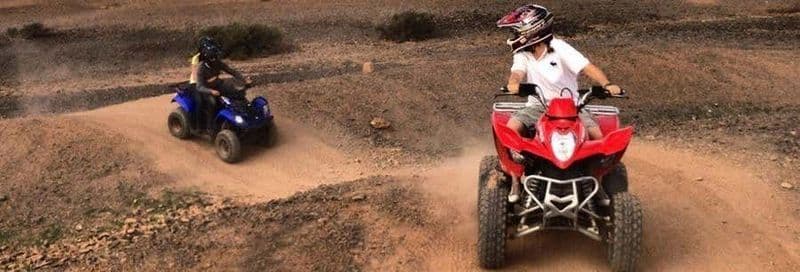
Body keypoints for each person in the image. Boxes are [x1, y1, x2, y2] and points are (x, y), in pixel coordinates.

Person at [497, 4, 625, 202]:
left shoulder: (559, 47)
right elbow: (517, 73)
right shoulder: (522, 54)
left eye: (517, 31)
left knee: (598, 139)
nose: (515, 35)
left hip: (572, 107)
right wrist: (513, 84)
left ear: (533, 29)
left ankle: (596, 182)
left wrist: (607, 84)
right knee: (510, 130)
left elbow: (587, 67)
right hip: (538, 106)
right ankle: (515, 180)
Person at [189, 37, 252, 133]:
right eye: (213, 58)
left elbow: (232, 71)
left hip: (215, 84)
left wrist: (243, 80)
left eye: (216, 57)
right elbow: (199, 86)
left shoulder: (218, 63)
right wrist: (211, 91)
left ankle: (244, 113)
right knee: (212, 102)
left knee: (235, 91)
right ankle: (209, 127)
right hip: (202, 86)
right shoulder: (201, 67)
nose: (215, 59)